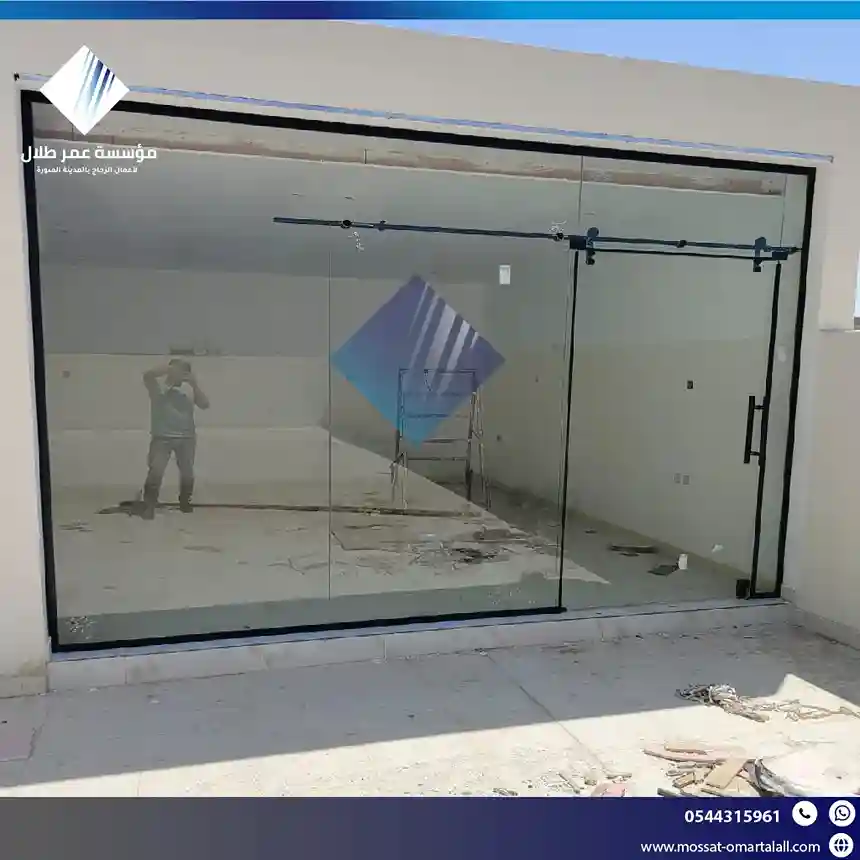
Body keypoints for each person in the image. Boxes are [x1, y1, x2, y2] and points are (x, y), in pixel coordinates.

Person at [141, 359, 210, 519]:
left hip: (186, 437)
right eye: (180, 370)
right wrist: (169, 370)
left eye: (185, 371)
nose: (182, 374)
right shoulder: (157, 386)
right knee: (156, 471)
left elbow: (205, 404)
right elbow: (147, 375)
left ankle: (185, 501)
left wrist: (194, 384)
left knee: (187, 472)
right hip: (162, 437)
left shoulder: (189, 389)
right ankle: (149, 505)